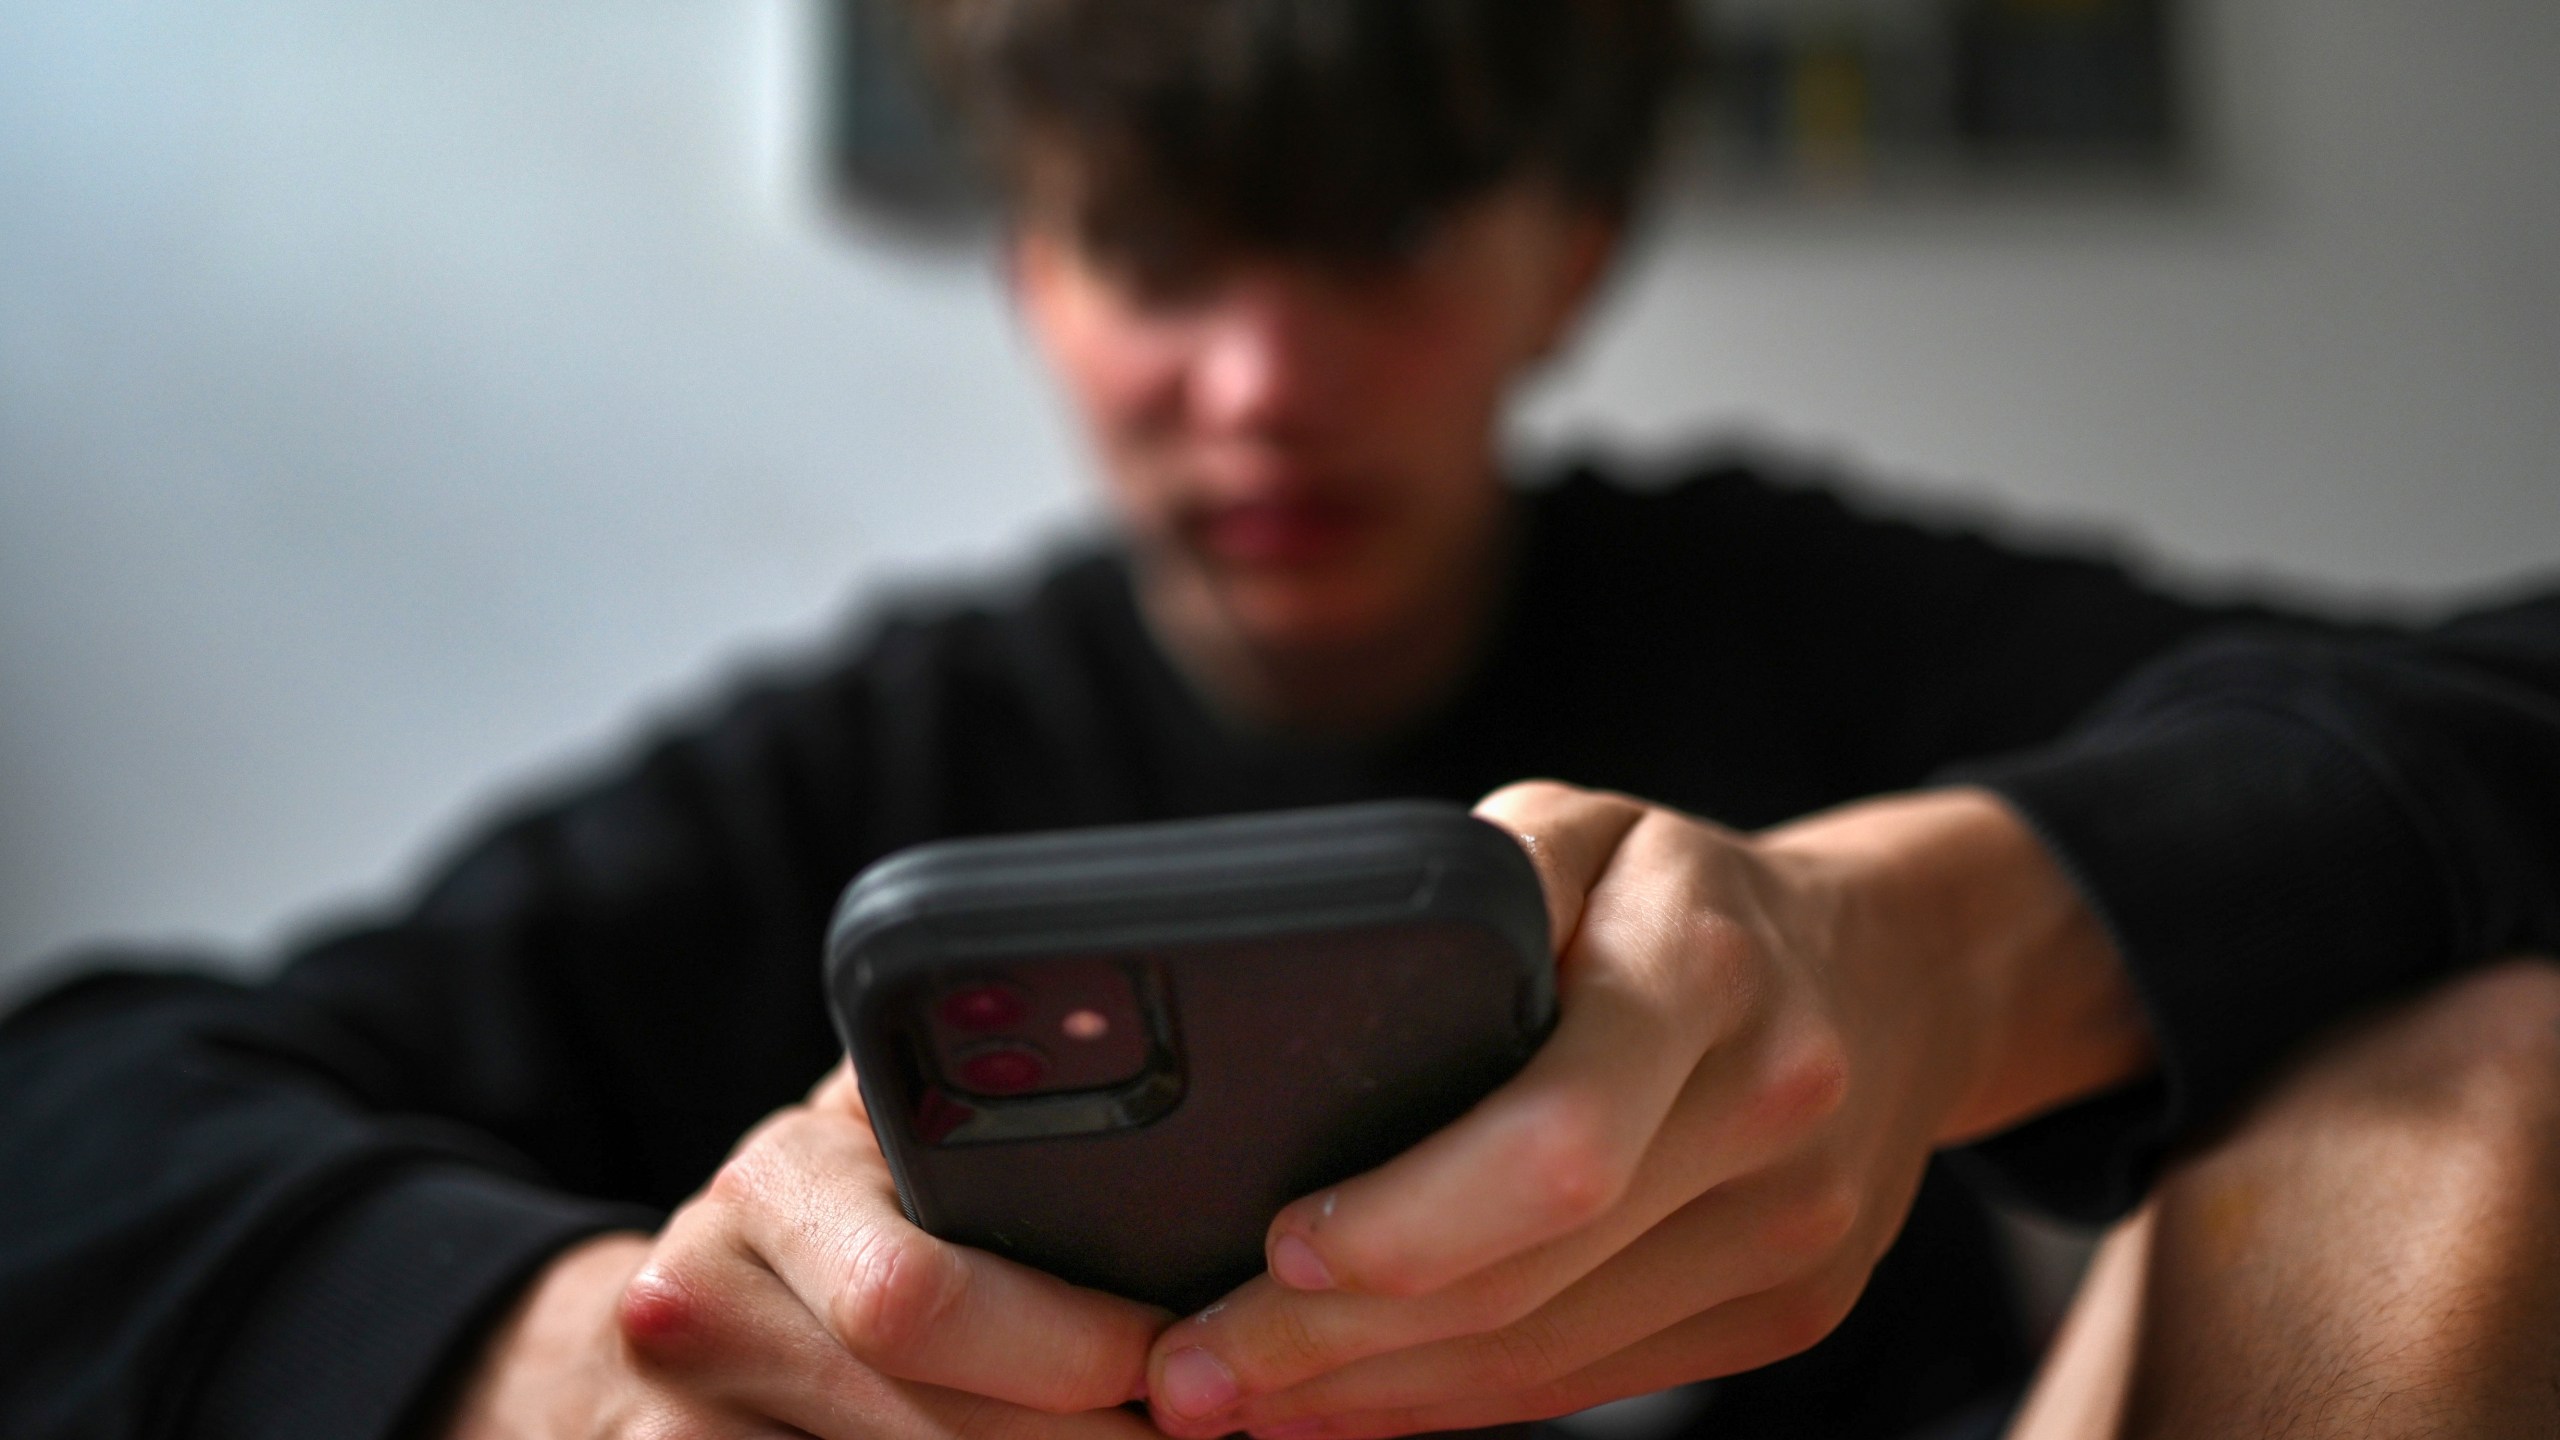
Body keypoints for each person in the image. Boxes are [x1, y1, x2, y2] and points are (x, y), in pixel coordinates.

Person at [3, 2, 2557, 1437]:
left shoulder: (1791, 621)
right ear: (1029, 274)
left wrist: (1933, 953)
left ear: (1570, 255)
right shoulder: (875, 766)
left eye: (1379, 239)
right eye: (1151, 254)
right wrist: (540, 1373)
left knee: (2492, 1066)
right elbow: (73, 1117)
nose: (1258, 381)